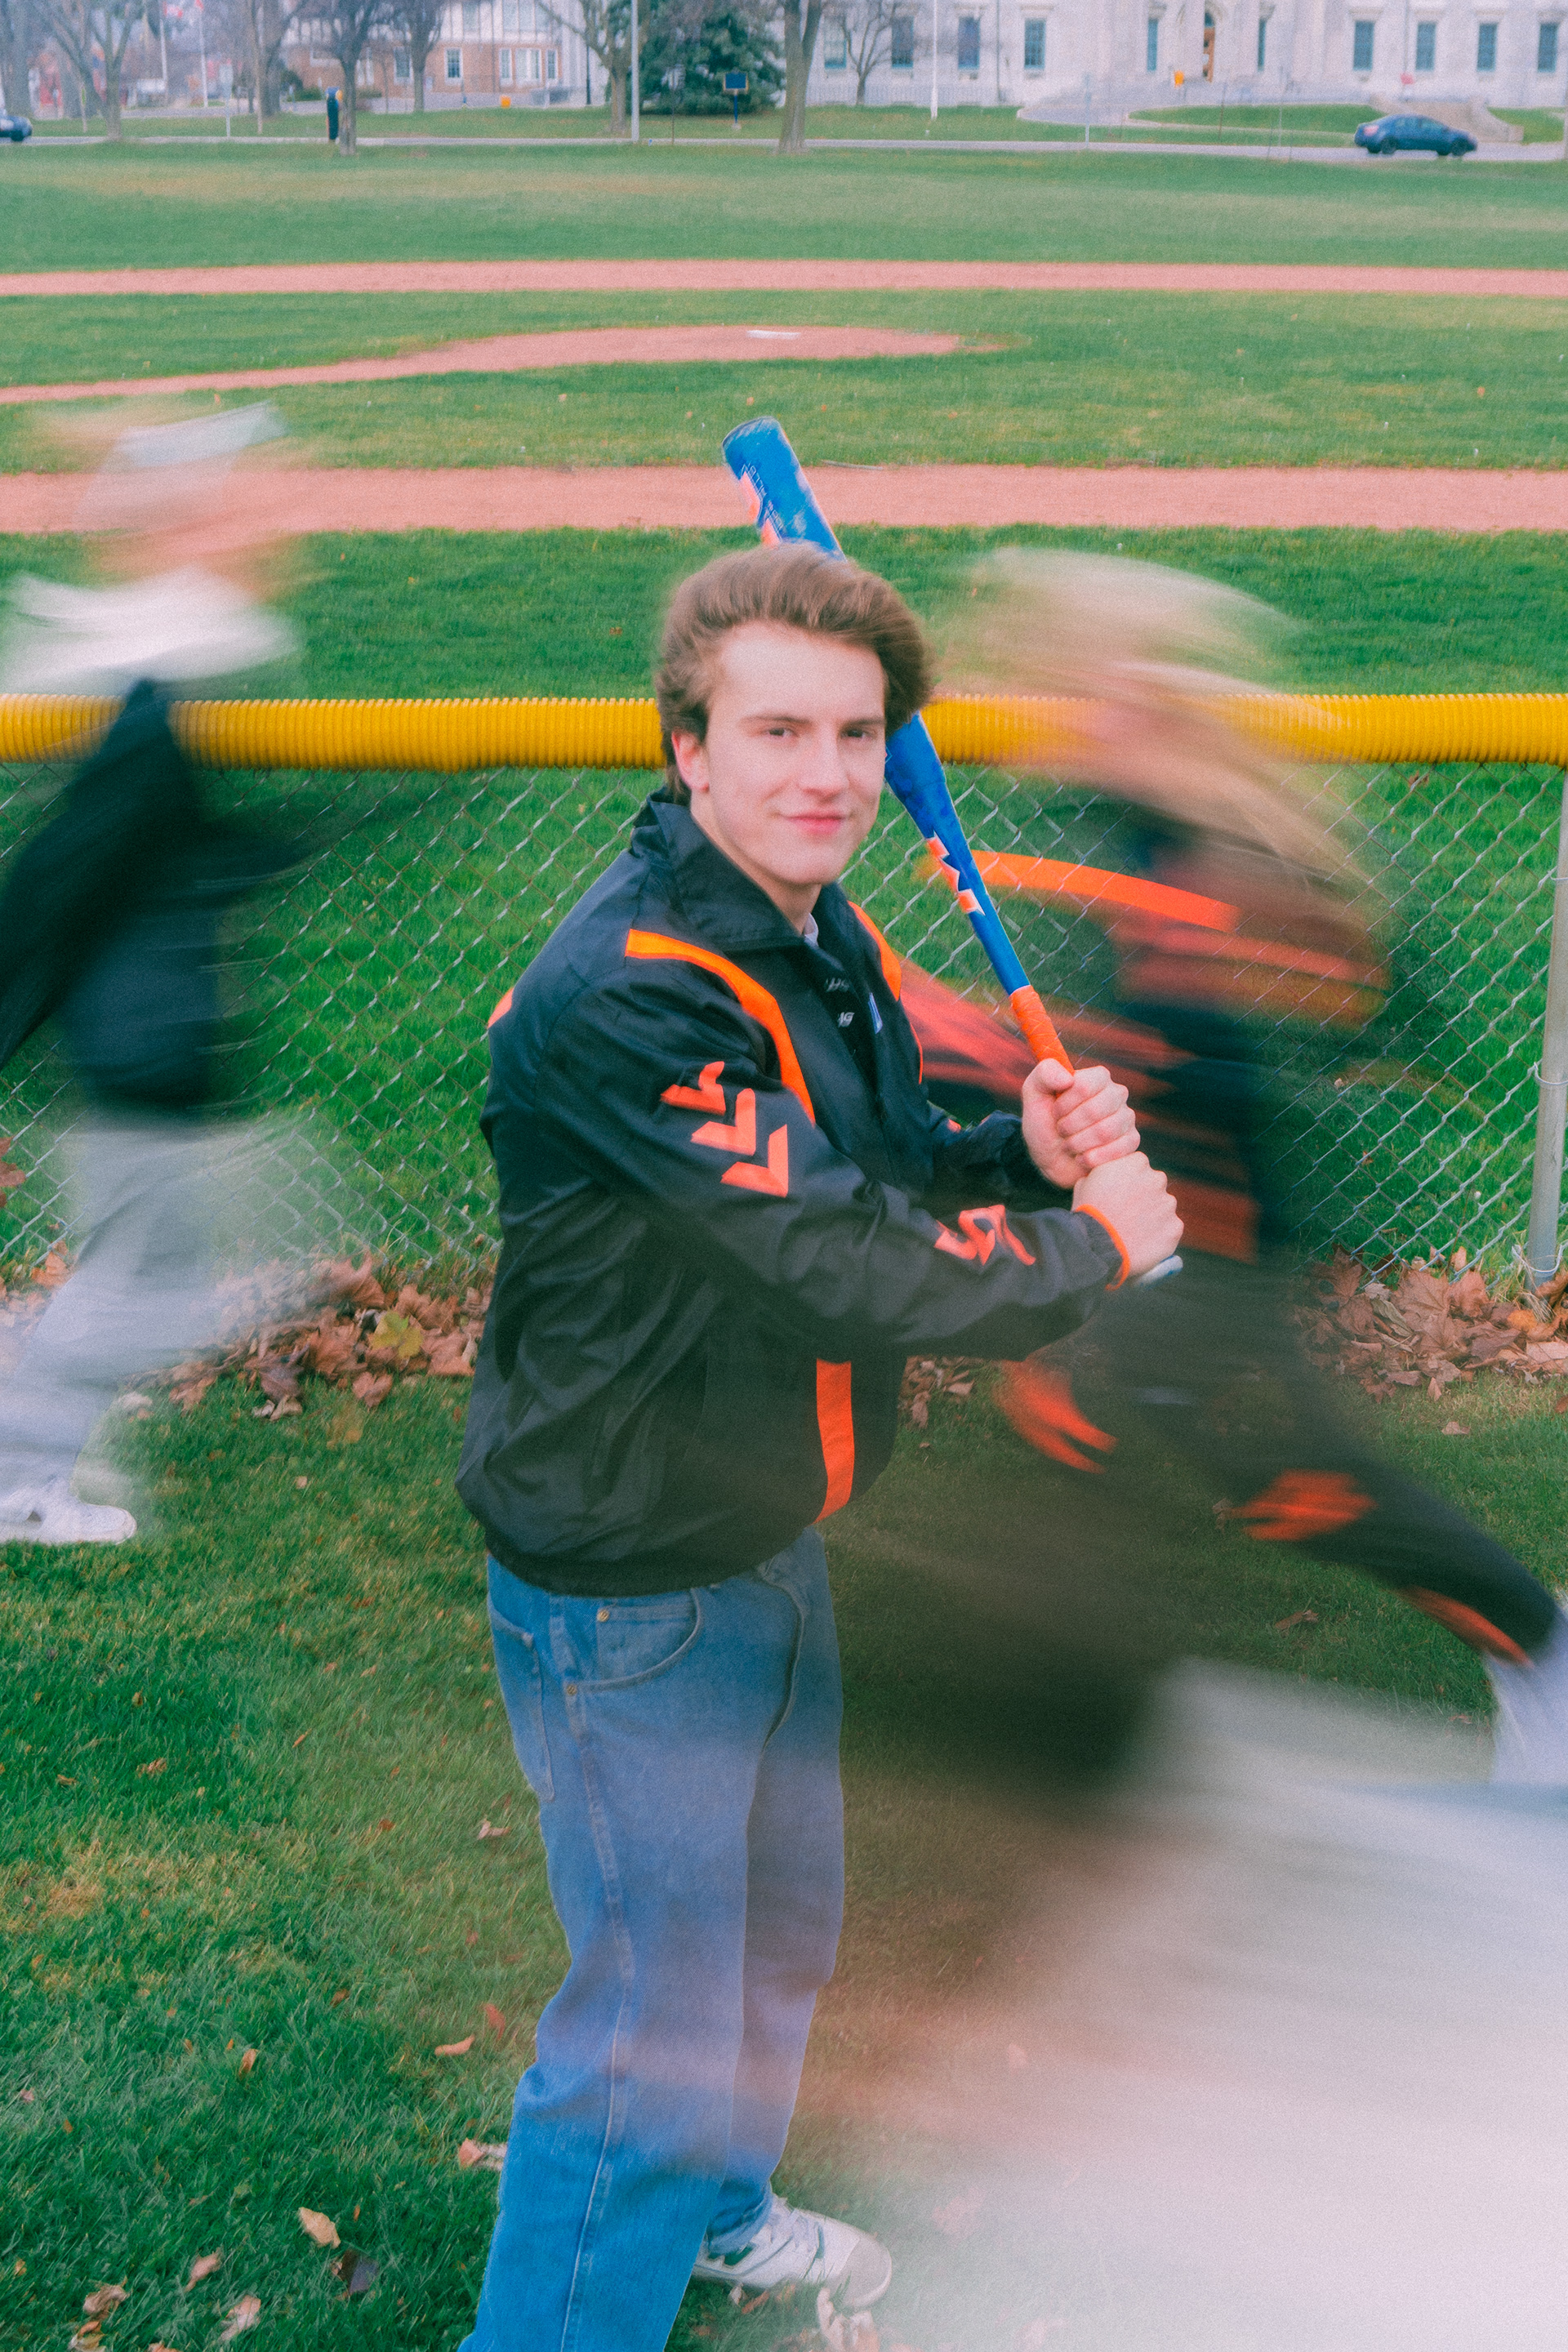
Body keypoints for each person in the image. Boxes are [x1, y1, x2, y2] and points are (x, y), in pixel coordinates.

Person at [454, 543, 1181, 2352]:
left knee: (777, 1938)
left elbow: (869, 1156)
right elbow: (836, 1263)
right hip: (632, 1576)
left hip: (760, 1518)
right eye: (777, 731)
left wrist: (1016, 1150)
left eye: (860, 736)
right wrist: (1093, 1251)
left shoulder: (805, 922)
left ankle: (712, 2218)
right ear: (688, 748)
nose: (829, 774)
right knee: (651, 2019)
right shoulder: (639, 990)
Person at [947, 550, 1568, 1786]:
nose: (1061, 706)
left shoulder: (1207, 857)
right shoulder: (1110, 834)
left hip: (1213, 1248)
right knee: (1097, 1436)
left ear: (1148, 703)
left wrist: (1022, 1047)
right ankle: (1073, 1719)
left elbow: (1293, 1030)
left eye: (1089, 685)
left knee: (1284, 1479)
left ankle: (1542, 1650)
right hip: (1148, 1230)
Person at [0, 403, 305, 1545]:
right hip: (141, 1044)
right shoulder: (152, 695)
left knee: (156, 1278)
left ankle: (30, 1419)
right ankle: (18, 1477)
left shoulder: (159, 681)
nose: (272, 536)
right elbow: (68, 881)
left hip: (153, 1034)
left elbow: (157, 854)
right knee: (153, 1289)